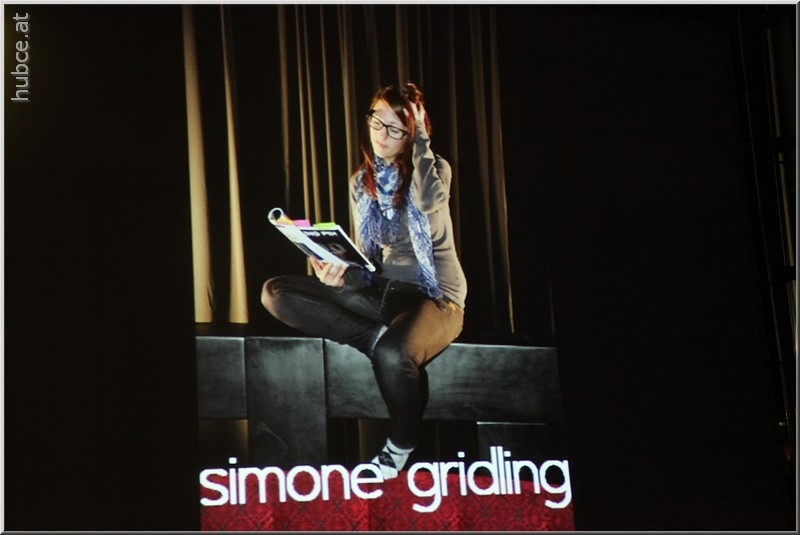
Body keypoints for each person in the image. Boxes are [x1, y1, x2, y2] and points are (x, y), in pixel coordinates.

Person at [261, 82, 467, 479]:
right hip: (382, 291)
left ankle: (400, 446)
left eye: (395, 128)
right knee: (276, 293)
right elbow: (368, 261)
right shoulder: (362, 182)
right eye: (376, 121)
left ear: (413, 134)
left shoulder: (434, 169)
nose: (381, 134)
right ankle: (374, 339)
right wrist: (337, 273)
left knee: (393, 354)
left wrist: (422, 140)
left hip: (436, 298)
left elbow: (427, 201)